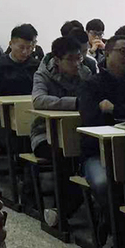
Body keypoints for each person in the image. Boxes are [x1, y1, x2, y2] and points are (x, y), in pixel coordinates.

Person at [79, 35, 125, 232]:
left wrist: (114, 110)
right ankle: (114, 229)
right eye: (123, 52)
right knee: (104, 183)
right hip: (97, 154)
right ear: (107, 53)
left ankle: (124, 226)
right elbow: (90, 119)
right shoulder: (91, 84)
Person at [29, 36, 91, 223]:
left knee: (89, 156)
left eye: (79, 58)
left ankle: (64, 210)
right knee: (66, 156)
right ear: (57, 60)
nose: (76, 63)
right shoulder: (43, 75)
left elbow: (94, 98)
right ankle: (62, 211)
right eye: (70, 59)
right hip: (45, 134)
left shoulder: (85, 73)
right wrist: (76, 103)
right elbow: (38, 100)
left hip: (78, 132)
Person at [0, 24, 41, 141]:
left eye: (30, 48)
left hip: (31, 111)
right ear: (11, 44)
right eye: (21, 47)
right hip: (5, 114)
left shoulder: (36, 66)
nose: (25, 52)